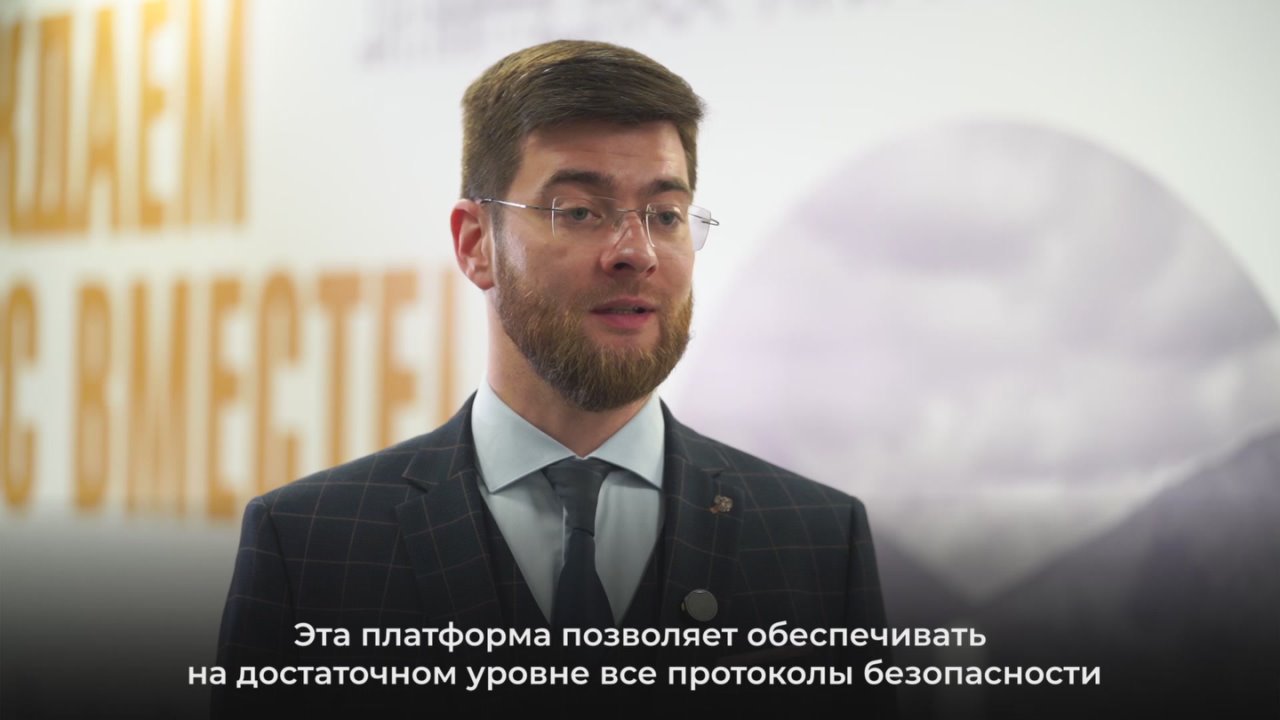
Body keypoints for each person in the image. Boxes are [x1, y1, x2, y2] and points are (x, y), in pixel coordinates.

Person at [214, 39, 893, 716]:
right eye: (578, 211)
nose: (636, 253)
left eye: (665, 215)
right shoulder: (309, 544)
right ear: (476, 243)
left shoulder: (817, 542)